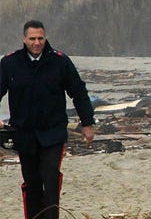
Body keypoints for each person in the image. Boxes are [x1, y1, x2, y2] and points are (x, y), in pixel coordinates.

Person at [0, 20, 95, 219]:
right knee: (32, 184)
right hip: (24, 134)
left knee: (51, 181)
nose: (37, 42)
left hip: (53, 133)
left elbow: (78, 92)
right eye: (32, 38)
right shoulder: (10, 63)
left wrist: (87, 123)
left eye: (40, 38)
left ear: (45, 38)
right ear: (24, 39)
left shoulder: (60, 61)